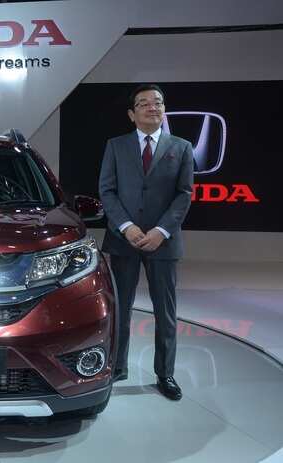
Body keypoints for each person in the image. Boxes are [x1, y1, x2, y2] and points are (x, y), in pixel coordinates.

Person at [98, 84, 194, 401]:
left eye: (158, 102)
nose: (152, 107)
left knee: (165, 311)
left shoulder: (181, 147)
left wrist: (161, 231)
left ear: (164, 109)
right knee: (120, 308)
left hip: (163, 243)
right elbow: (107, 191)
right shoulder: (115, 146)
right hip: (123, 240)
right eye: (144, 103)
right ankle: (117, 367)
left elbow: (184, 195)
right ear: (132, 114)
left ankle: (165, 374)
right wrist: (126, 227)